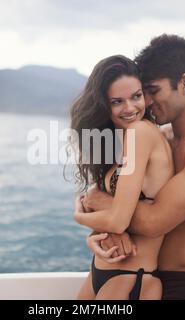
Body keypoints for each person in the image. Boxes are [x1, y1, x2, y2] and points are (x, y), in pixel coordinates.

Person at [80, 34, 185, 300]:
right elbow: (120, 196)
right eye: (144, 92)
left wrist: (97, 199)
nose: (148, 101)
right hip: (143, 276)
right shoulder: (160, 138)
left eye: (153, 91)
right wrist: (96, 225)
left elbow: (153, 222)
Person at [70, 55, 174, 299]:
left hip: (130, 280)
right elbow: (115, 216)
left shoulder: (141, 132)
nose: (130, 108)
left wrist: (79, 216)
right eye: (117, 101)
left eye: (136, 96)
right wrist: (92, 238)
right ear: (104, 105)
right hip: (100, 272)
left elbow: (118, 221)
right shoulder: (123, 141)